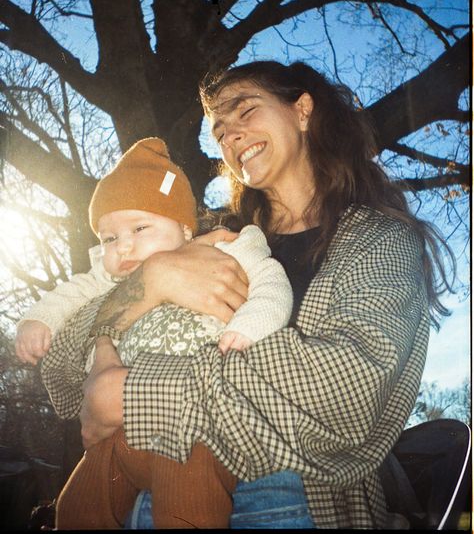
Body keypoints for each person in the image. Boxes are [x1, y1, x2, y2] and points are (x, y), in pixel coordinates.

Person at [42, 60, 453, 529]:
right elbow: (62, 367)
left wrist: (133, 391)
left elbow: (348, 389)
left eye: (245, 111)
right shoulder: (215, 239)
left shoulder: (378, 240)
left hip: (286, 501)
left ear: (302, 110)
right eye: (219, 131)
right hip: (135, 491)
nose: (231, 136)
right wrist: (149, 283)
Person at [15, 137, 293, 529]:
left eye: (140, 227)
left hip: (193, 424)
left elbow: (271, 281)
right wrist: (38, 320)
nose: (123, 247)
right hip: (120, 431)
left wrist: (250, 327)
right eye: (109, 238)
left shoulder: (224, 249)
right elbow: (72, 292)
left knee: (188, 506)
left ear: (183, 226)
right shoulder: (110, 275)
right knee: (78, 506)